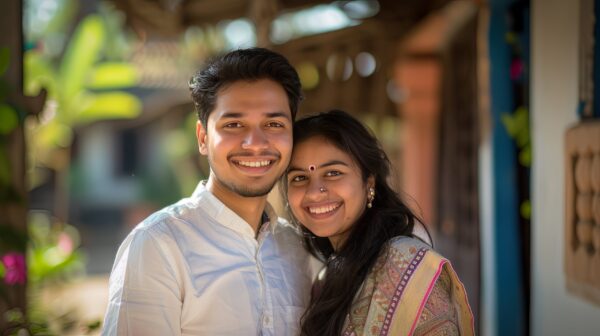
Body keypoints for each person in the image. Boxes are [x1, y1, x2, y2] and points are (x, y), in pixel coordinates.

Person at [102, 48, 320, 335]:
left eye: (273, 124)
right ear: (203, 138)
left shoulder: (301, 250)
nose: (255, 143)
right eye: (234, 124)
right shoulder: (159, 246)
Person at [284, 110, 474, 336]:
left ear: (369, 182)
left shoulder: (409, 268)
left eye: (333, 173)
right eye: (299, 178)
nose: (314, 192)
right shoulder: (325, 280)